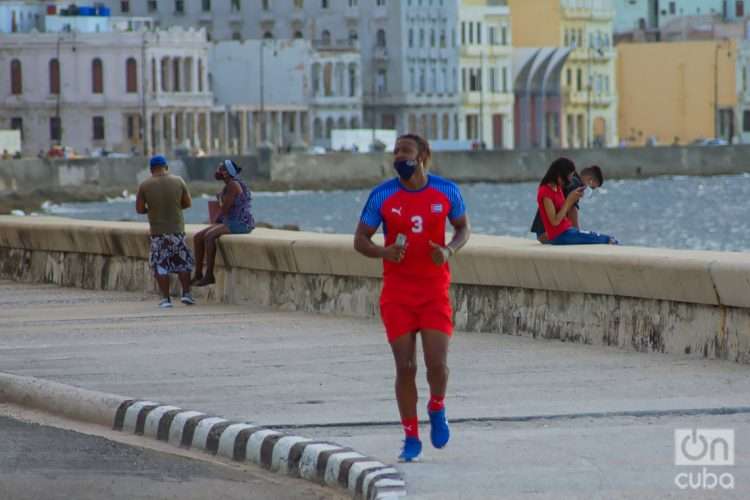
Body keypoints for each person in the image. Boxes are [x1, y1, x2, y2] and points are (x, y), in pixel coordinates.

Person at [354, 133, 471, 462]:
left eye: (405, 152)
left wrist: (448, 251)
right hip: (398, 294)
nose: (398, 158)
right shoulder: (383, 195)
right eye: (395, 153)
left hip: (434, 291)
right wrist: (384, 251)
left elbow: (463, 228)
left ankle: (436, 407)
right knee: (405, 368)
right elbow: (360, 239)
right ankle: (410, 436)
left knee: (437, 366)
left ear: (422, 156)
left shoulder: (446, 191)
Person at [135, 155, 196, 308]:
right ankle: (186, 294)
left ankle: (166, 299)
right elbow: (188, 203)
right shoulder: (178, 181)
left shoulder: (144, 185)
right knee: (182, 262)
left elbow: (140, 209)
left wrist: (154, 209)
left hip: (158, 231)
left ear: (151, 170)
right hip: (177, 230)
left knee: (161, 265)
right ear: (166, 167)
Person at [192, 159, 254, 286]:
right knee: (198, 237)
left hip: (240, 223)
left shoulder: (233, 185)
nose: (218, 171)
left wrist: (220, 199)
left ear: (227, 172)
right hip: (230, 220)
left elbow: (225, 209)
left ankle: (209, 274)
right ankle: (198, 274)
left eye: (221, 169)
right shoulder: (229, 185)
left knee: (209, 237)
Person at [536, 157, 617, 245]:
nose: (571, 179)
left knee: (600, 238)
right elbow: (561, 217)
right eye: (570, 176)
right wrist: (570, 200)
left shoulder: (558, 188)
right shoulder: (548, 190)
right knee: (606, 239)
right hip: (554, 234)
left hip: (556, 231)